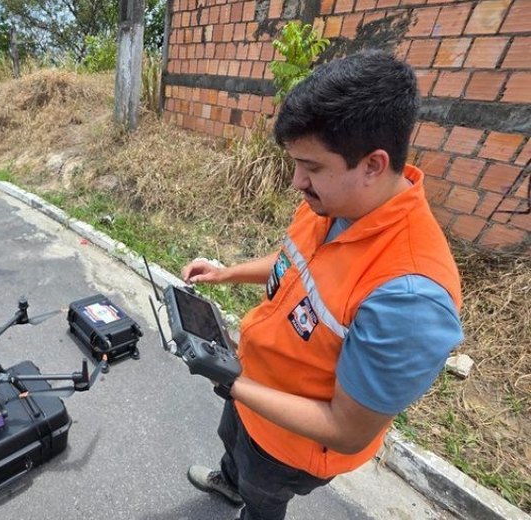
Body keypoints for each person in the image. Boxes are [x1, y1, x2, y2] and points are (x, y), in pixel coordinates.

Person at [181, 50, 464, 520]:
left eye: (310, 167)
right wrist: (227, 272)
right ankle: (229, 482)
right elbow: (296, 259)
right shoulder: (333, 203)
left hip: (291, 445)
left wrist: (231, 382)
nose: (297, 181)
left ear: (373, 164)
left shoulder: (409, 299)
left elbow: (347, 429)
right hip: (250, 386)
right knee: (233, 448)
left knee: (263, 493)